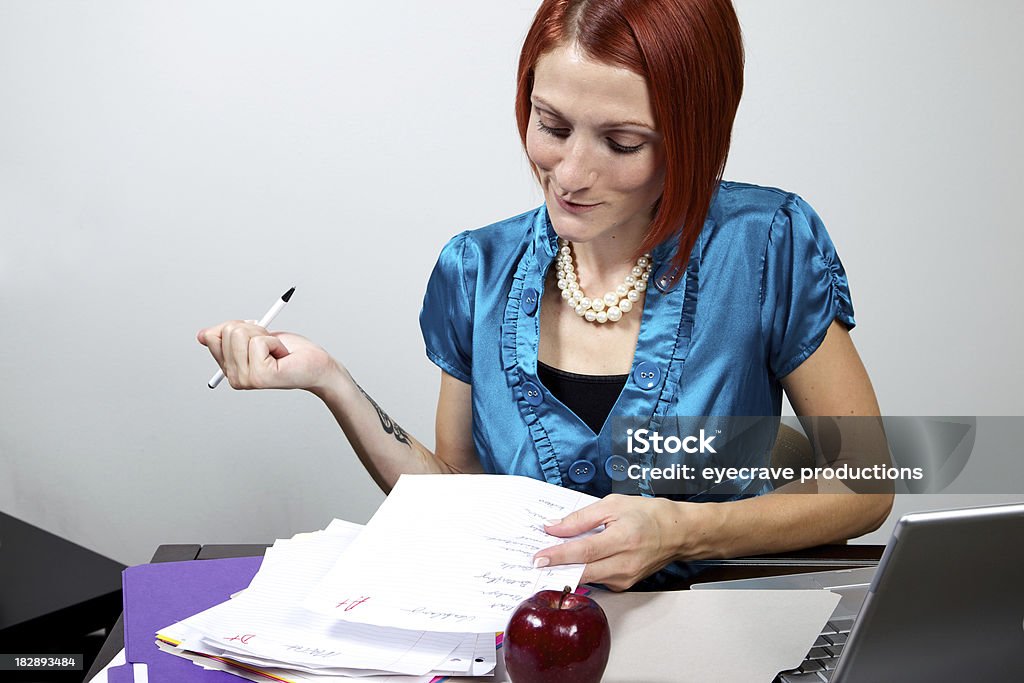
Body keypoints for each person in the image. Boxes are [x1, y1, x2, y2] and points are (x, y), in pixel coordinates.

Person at [198, 0, 893, 591]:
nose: (571, 173)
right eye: (552, 126)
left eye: (622, 143)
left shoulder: (768, 245)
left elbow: (867, 482)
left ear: (692, 136)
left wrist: (685, 529)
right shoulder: (476, 268)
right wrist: (329, 380)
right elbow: (457, 493)